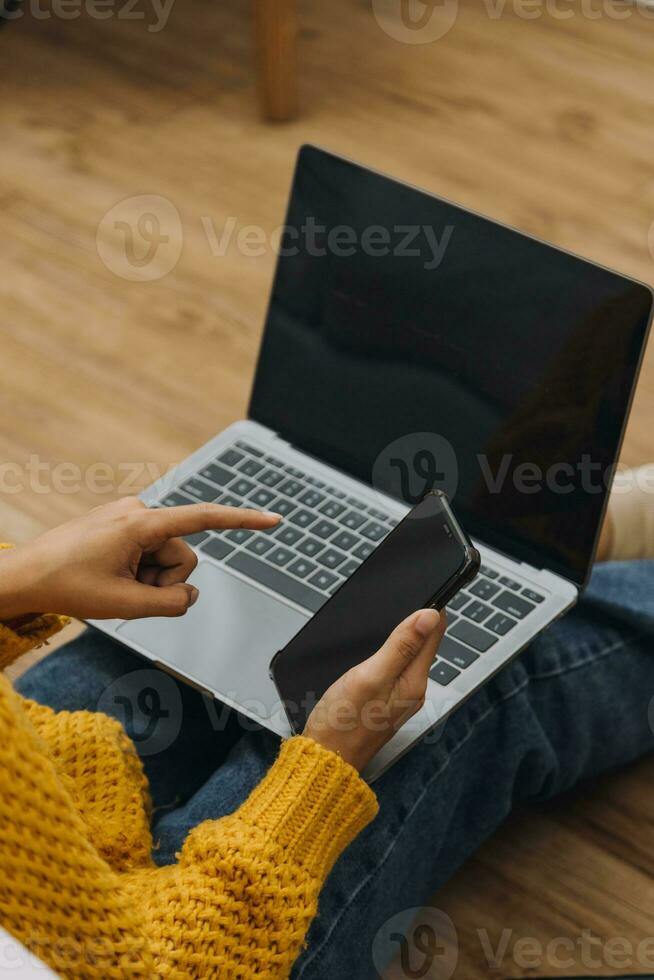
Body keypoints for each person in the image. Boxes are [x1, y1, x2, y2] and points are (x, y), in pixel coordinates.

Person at [1, 467, 654, 979]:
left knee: (157, 635)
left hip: (35, 781)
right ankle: (596, 561)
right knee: (458, 692)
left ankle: (562, 549)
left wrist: (18, 582)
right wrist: (324, 769)